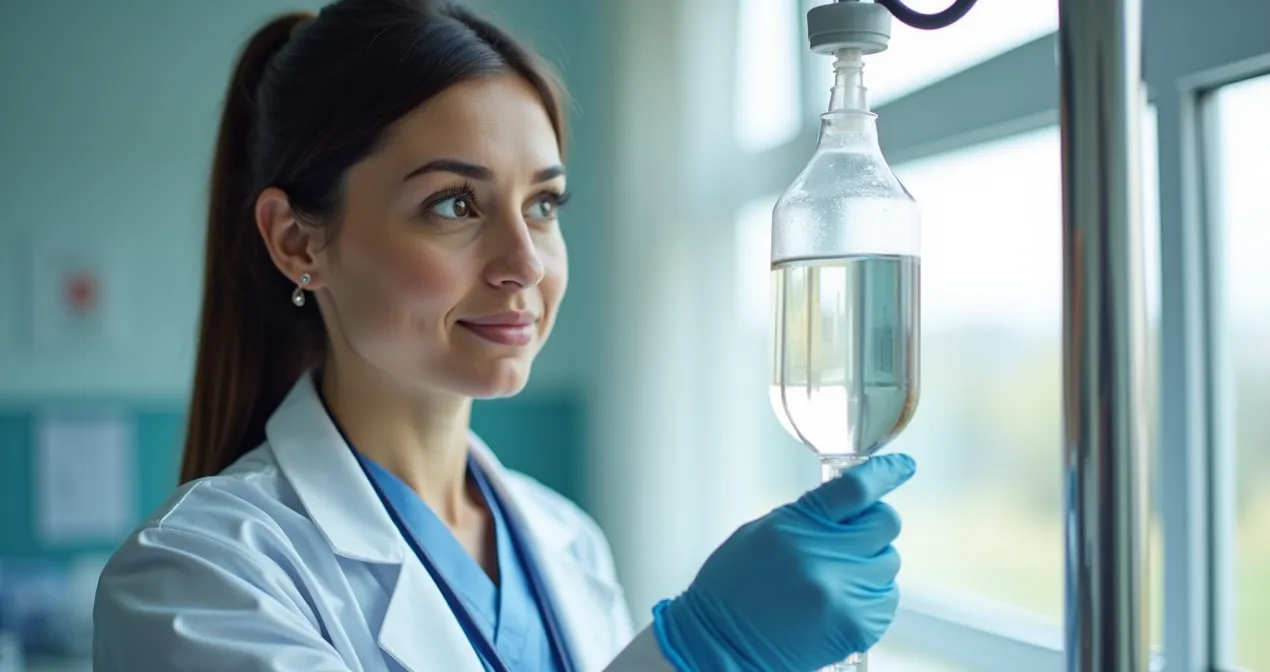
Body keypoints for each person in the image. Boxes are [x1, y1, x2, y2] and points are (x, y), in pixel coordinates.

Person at [91, 1, 916, 670]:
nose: (524, 262)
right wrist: (697, 655)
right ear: (299, 242)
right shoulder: (198, 579)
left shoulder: (567, 542)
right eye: (455, 203)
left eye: (544, 205)